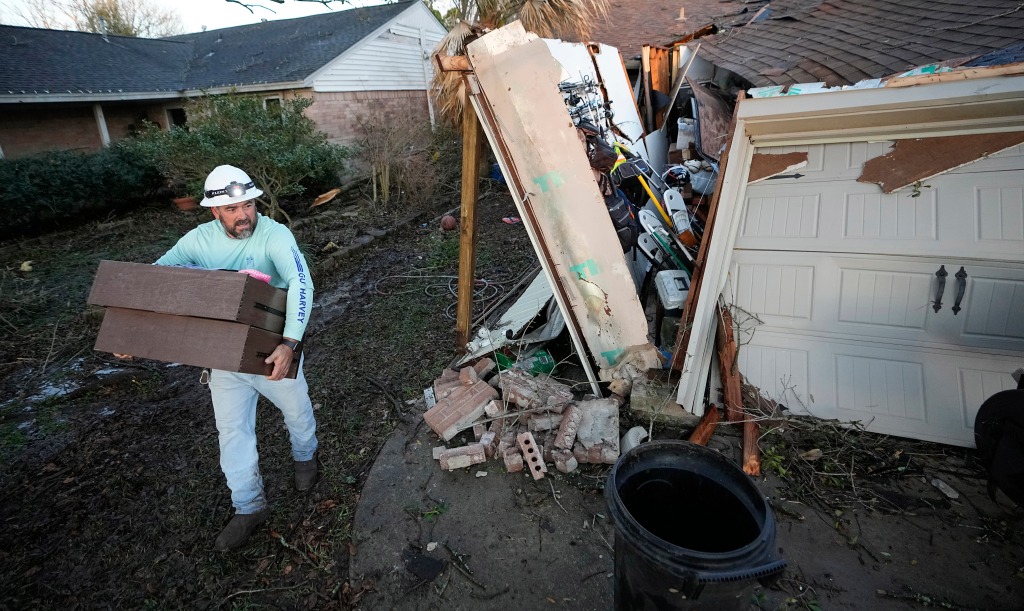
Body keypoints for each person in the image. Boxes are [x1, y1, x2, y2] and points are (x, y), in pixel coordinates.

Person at [155, 165, 318, 552]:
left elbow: (300, 281)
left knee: (296, 409)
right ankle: (248, 506)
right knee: (232, 432)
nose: (243, 215)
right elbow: (158, 275)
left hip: (271, 347)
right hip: (223, 355)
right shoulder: (198, 240)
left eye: (248, 204)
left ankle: (305, 456)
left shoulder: (275, 234)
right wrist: (131, 327)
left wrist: (289, 343)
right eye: (232, 209)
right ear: (214, 212)